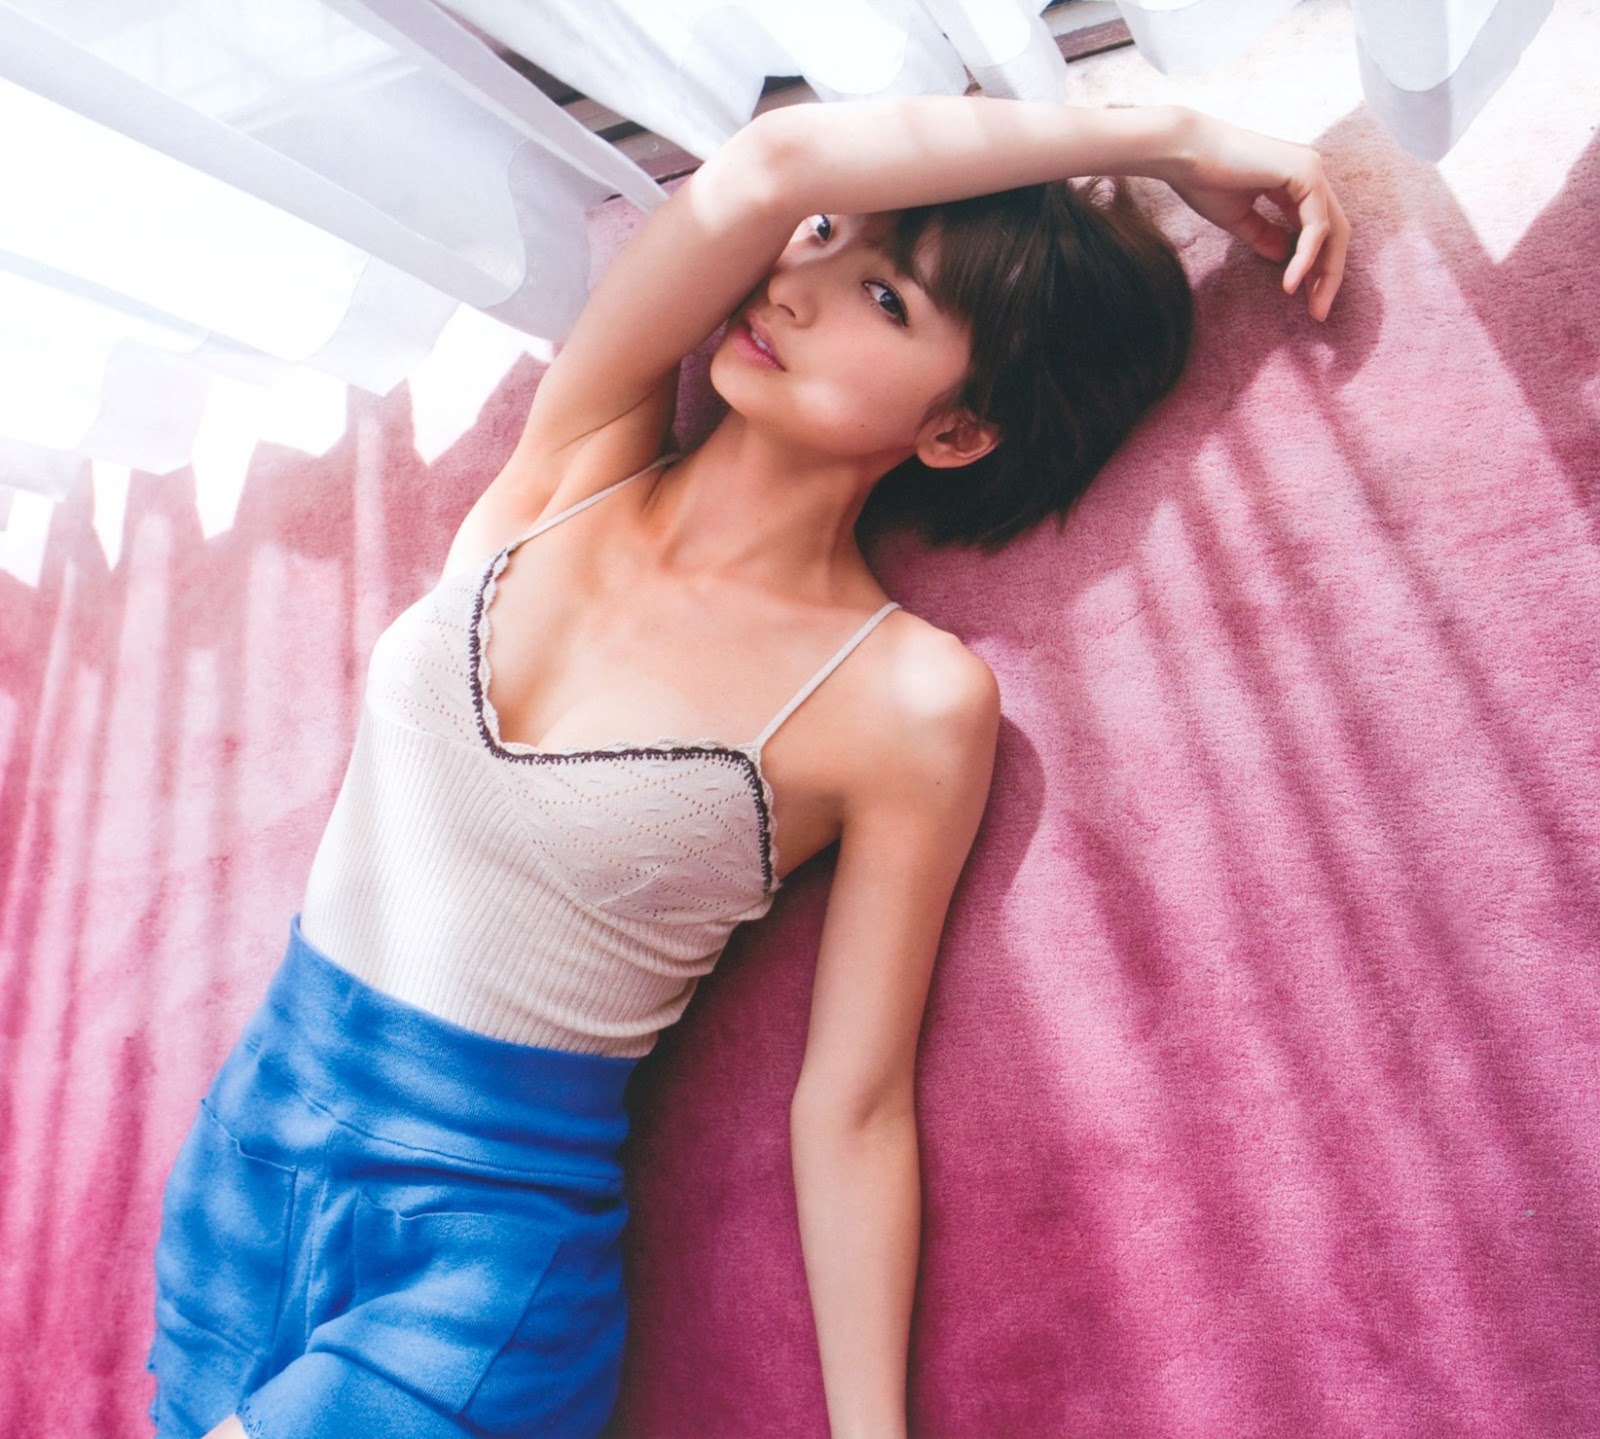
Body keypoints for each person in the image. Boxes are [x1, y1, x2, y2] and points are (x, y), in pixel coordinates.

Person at [148, 94, 1348, 1439]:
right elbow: (776, 164)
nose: (794, 283)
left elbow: (853, 1104)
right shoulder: (581, 454)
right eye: (826, 238)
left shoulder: (903, 700)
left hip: (475, 1272)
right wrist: (1168, 138)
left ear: (958, 431)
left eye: (884, 299)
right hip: (241, 1170)